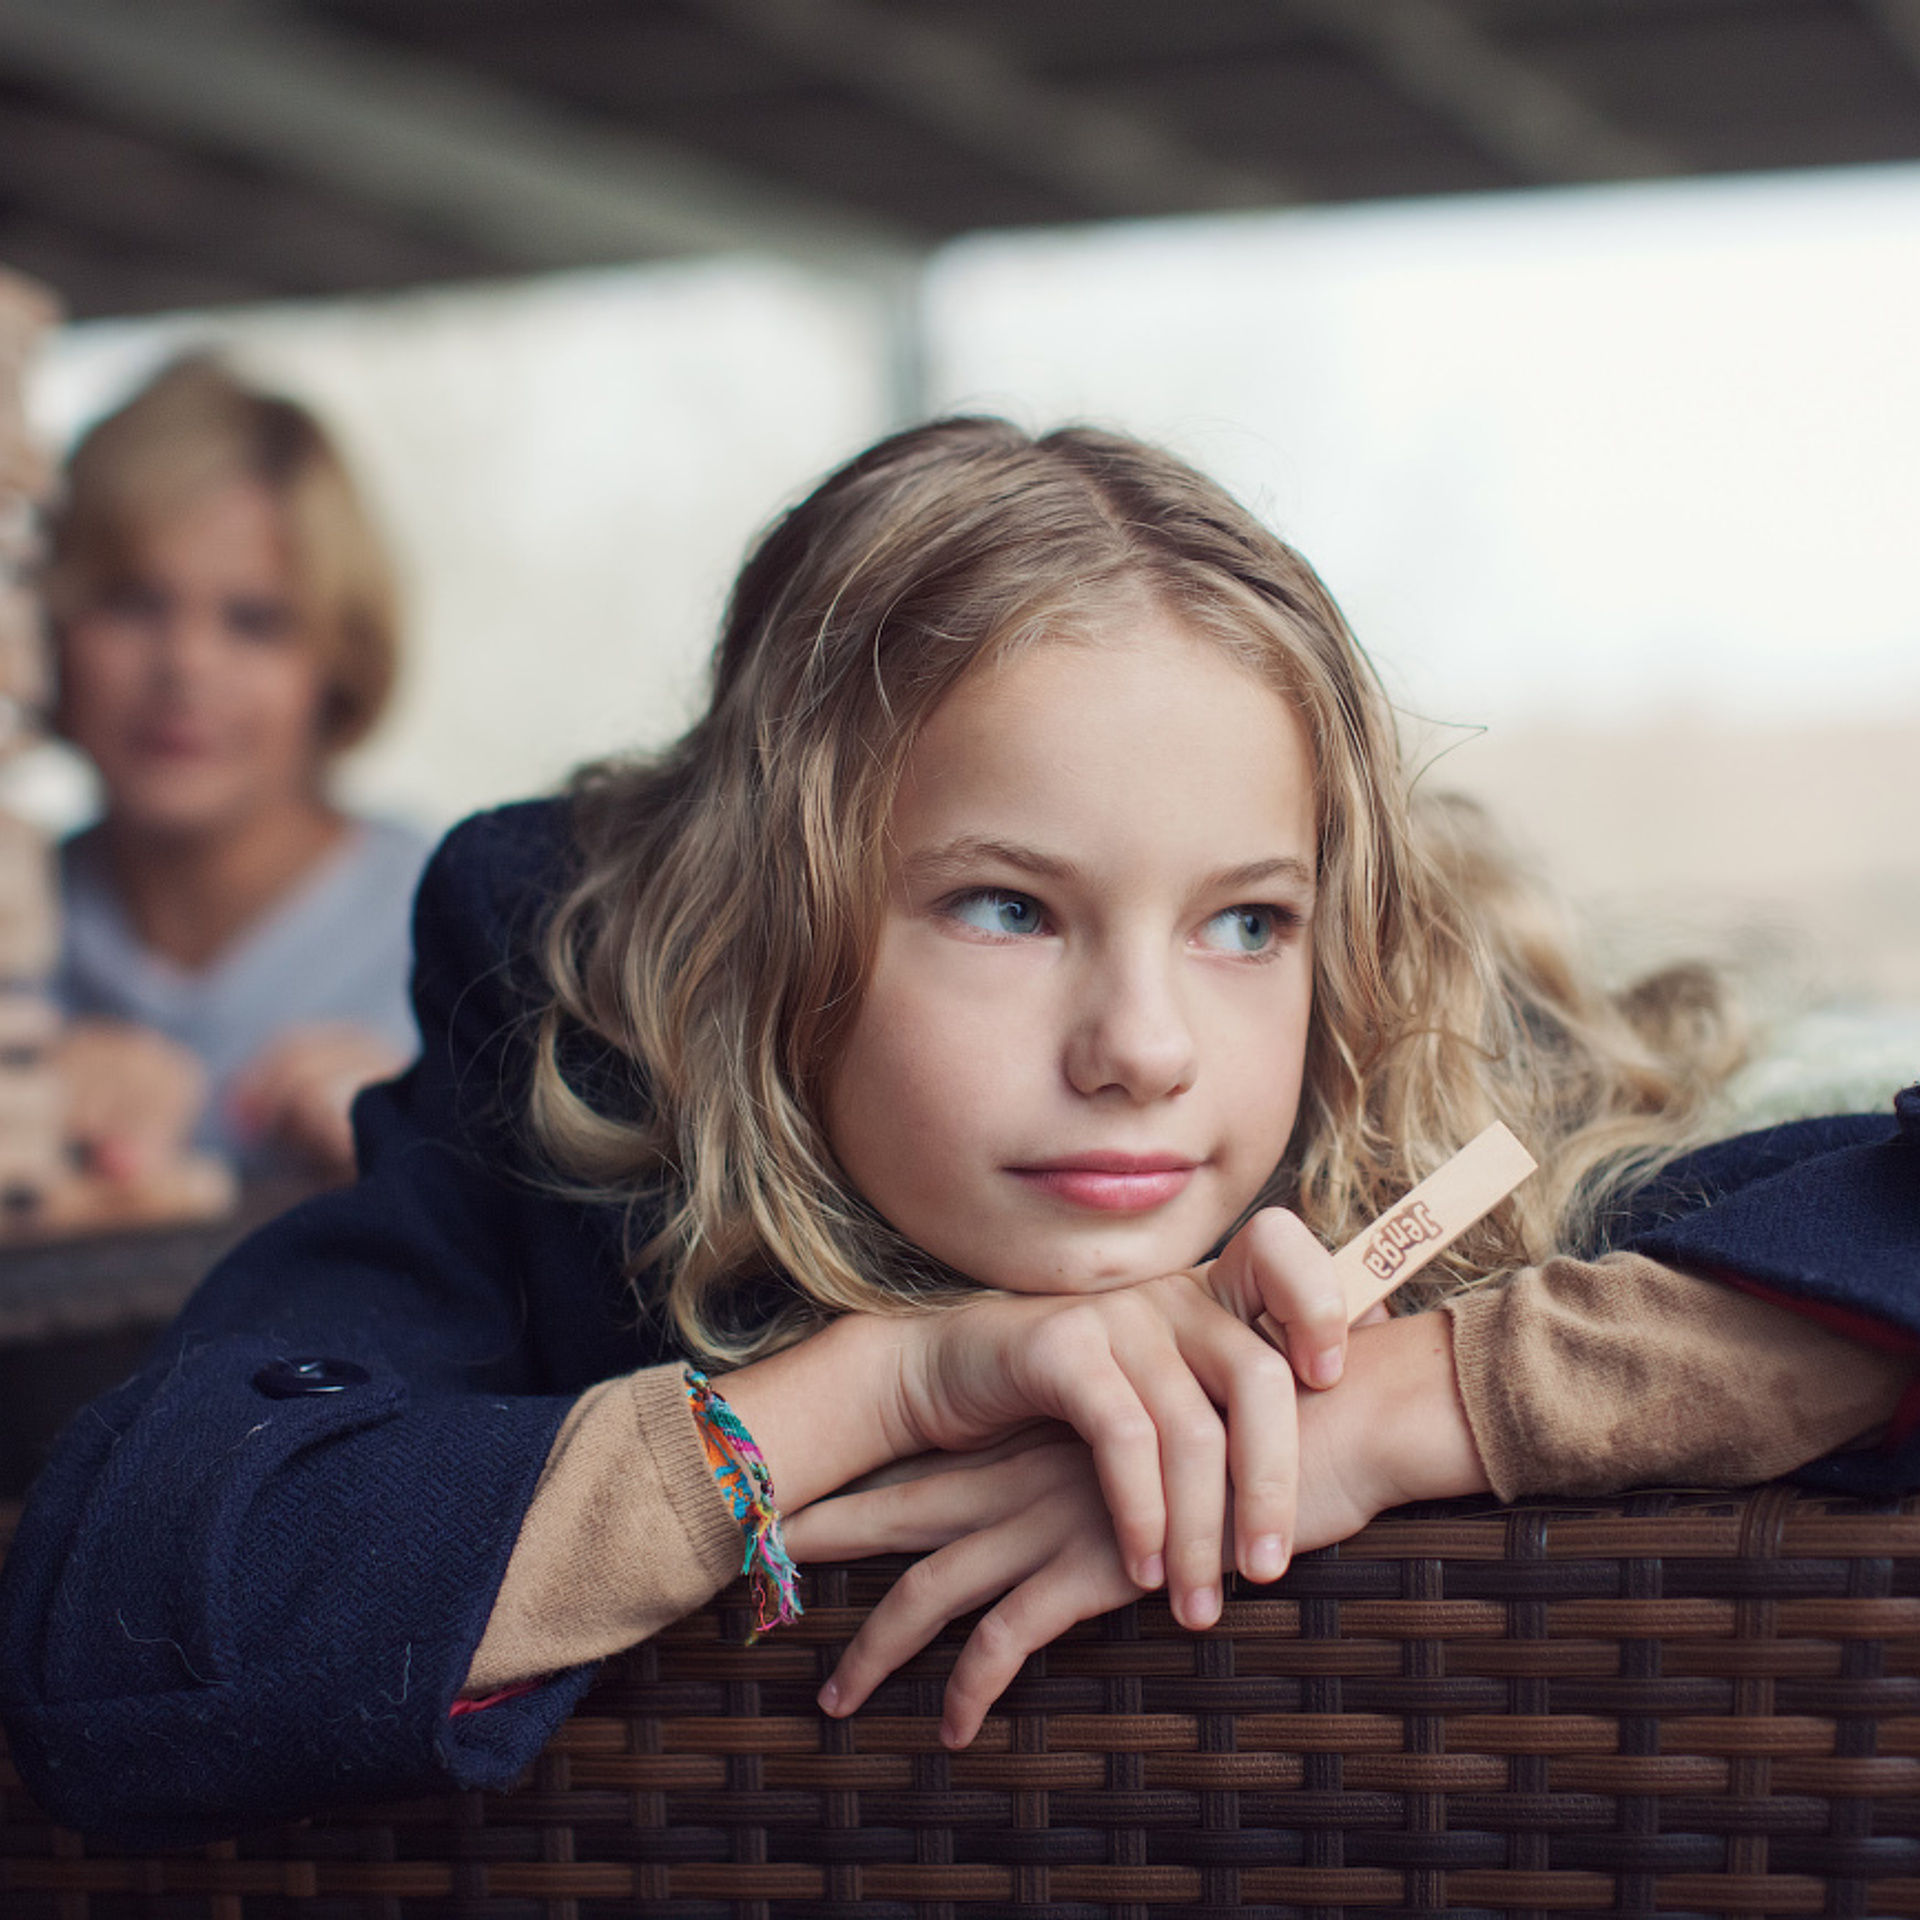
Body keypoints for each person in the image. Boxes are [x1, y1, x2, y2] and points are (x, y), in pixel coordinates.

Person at [0, 418, 1911, 1848]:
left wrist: (1398, 1406)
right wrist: (879, 1395)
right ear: (767, 928)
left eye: (1246, 920)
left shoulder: (1410, 1099)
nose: (1147, 1050)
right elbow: (122, 1613)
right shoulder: (564, 1115)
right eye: (1005, 906)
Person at [39, 356, 430, 1183]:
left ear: (338, 661)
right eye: (132, 602)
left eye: (255, 622)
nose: (185, 666)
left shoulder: (467, 936)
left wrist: (426, 1155)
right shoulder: (19, 924)